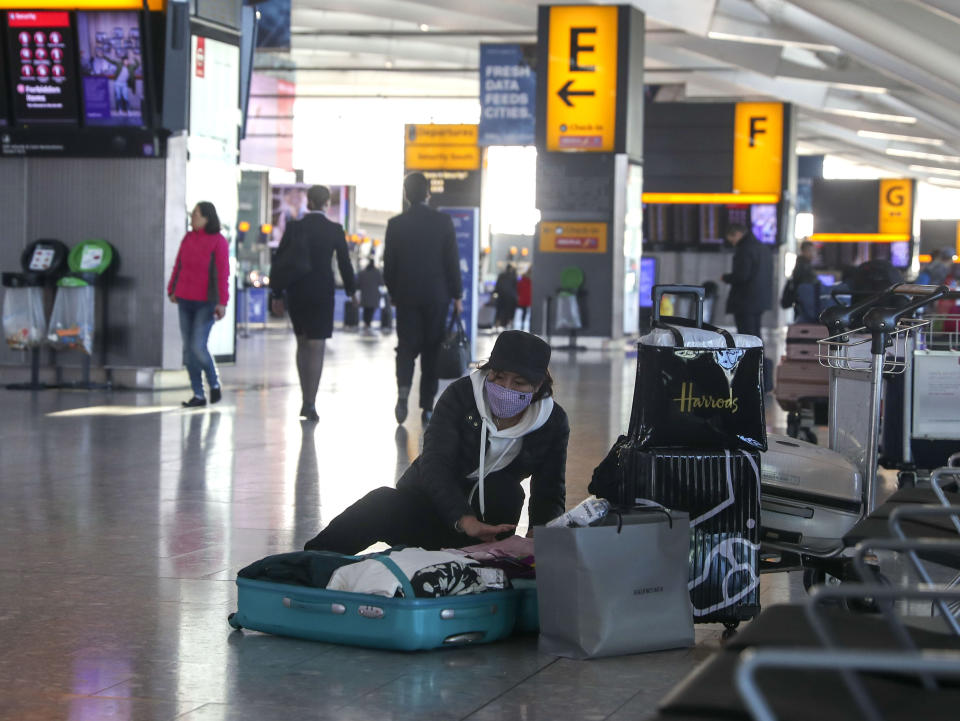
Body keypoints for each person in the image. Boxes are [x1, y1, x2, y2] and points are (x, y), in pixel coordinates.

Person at [303, 330, 569, 553]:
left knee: (506, 489)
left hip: (487, 534)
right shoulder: (461, 396)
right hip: (432, 510)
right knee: (381, 501)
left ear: (537, 386)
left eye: (519, 383)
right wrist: (464, 520)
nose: (506, 389)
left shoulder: (552, 423)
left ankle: (481, 568)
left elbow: (549, 491)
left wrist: (539, 540)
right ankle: (306, 562)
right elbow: (434, 464)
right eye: (498, 377)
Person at [384, 172, 463, 425]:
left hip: (406, 296)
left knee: (405, 348)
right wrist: (457, 296)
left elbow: (389, 267)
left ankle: (402, 395)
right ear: (428, 193)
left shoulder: (396, 224)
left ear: (406, 195)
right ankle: (427, 407)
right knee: (432, 349)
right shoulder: (443, 222)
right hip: (436, 296)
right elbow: (451, 262)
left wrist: (395, 293)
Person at [272, 185, 357, 421]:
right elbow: (344, 263)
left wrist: (276, 294)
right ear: (327, 203)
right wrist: (352, 290)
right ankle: (311, 401)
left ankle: (304, 397)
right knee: (316, 347)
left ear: (308, 202)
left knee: (301, 344)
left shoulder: (295, 227)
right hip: (322, 294)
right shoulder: (334, 229)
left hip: (297, 292)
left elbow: (279, 262)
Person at [167, 202, 229, 408]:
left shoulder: (218, 241)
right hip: (185, 298)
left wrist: (222, 302)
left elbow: (223, 273)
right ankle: (198, 394)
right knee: (188, 350)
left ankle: (214, 382)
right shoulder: (188, 238)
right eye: (192, 214)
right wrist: (172, 288)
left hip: (206, 302)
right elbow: (179, 264)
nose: (192, 217)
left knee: (197, 346)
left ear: (207, 218)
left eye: (196, 214)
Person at [721, 223, 773, 337]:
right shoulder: (764, 249)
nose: (732, 242)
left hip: (745, 300)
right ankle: (759, 355)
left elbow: (742, 275)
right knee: (755, 334)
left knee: (746, 336)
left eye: (732, 238)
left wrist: (726, 278)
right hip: (760, 299)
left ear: (738, 234)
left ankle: (751, 355)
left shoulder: (744, 250)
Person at [358, 255, 383, 331]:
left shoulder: (363, 272)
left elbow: (358, 283)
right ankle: (368, 323)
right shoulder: (377, 272)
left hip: (365, 295)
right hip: (374, 295)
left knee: (366, 310)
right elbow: (381, 282)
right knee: (371, 310)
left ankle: (366, 323)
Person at [495, 264, 519, 329]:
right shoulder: (513, 276)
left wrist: (495, 293)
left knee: (499, 311)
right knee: (510, 312)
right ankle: (509, 325)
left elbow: (497, 286)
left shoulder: (501, 276)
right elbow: (516, 287)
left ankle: (497, 324)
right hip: (510, 297)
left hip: (501, 296)